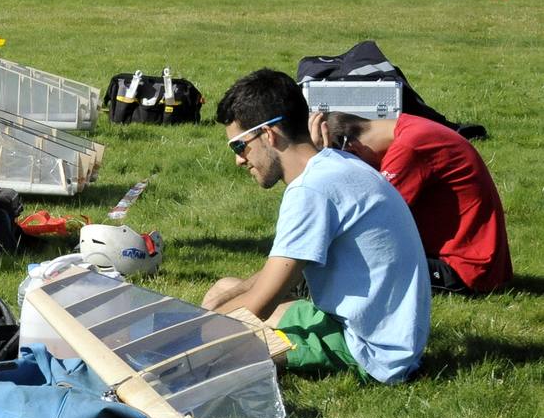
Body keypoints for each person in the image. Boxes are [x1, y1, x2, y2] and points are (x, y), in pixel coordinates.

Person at [201, 69, 430, 383]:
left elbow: (260, 303)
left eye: (239, 147)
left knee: (219, 350)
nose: (239, 160)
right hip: (382, 332)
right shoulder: (334, 165)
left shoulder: (312, 191)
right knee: (224, 290)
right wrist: (213, 314)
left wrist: (194, 334)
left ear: (269, 134)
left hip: (368, 350)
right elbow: (278, 273)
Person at [311, 111, 512, 295]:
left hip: (464, 270)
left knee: (333, 268)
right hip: (473, 260)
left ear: (352, 149)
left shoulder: (409, 148)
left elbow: (365, 221)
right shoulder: (410, 127)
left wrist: (324, 170)